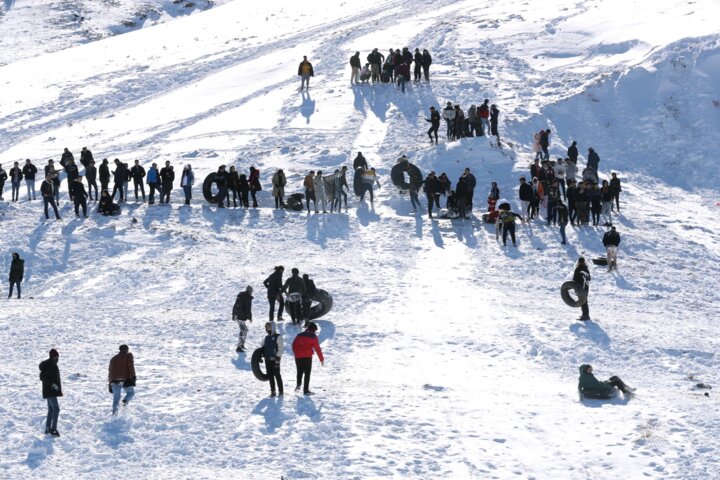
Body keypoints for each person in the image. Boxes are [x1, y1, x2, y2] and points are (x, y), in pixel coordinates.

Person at [292, 322, 324, 395]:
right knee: (307, 373)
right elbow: (317, 348)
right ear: (314, 329)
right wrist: (321, 359)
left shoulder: (299, 335)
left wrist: (296, 353)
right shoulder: (313, 337)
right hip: (307, 357)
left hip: (298, 357)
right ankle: (306, 390)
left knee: (299, 371)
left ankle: (298, 384)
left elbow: (294, 344)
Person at [39, 349, 62, 436]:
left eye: (58, 357)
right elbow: (43, 377)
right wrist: (53, 385)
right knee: (56, 409)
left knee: (51, 410)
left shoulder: (51, 364)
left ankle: (48, 428)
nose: (57, 359)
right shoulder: (49, 365)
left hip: (50, 391)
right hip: (50, 391)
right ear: (52, 357)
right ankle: (53, 429)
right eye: (56, 357)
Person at [108, 345, 136, 415]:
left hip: (114, 380)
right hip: (125, 379)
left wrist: (110, 384)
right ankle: (125, 402)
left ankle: (115, 414)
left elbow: (110, 371)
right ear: (127, 349)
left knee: (116, 398)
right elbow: (130, 366)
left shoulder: (113, 359)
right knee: (131, 393)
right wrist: (133, 377)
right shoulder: (128, 355)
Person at [262, 321, 284, 397]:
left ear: (273, 327)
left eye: (269, 326)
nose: (267, 328)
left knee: (277, 375)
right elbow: (263, 347)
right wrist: (260, 355)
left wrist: (278, 359)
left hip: (275, 360)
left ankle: (281, 391)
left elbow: (280, 349)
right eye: (266, 327)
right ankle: (273, 391)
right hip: (267, 360)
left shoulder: (278, 336)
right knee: (270, 376)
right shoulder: (266, 338)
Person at [232, 286, 253, 352]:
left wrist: (234, 314)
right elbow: (248, 308)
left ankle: (241, 345)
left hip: (238, 316)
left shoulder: (240, 296)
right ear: (250, 291)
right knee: (243, 330)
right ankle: (239, 346)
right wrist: (250, 317)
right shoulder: (247, 297)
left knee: (244, 330)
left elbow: (235, 305)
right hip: (241, 317)